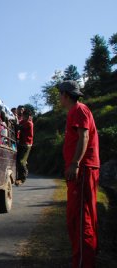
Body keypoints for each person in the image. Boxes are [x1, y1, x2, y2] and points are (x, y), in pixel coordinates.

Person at [58, 80, 100, 268]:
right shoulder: (75, 112)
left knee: (82, 220)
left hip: (83, 170)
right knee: (76, 219)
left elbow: (84, 136)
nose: (59, 97)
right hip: (80, 171)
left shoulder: (79, 110)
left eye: (60, 94)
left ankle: (83, 262)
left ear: (66, 95)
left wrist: (75, 164)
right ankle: (81, 259)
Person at [15, 109, 33, 186]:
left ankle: (23, 178)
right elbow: (19, 124)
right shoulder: (23, 121)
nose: (24, 117)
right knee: (18, 160)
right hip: (21, 143)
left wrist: (15, 124)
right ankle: (19, 177)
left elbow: (20, 127)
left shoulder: (29, 123)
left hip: (27, 144)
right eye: (24, 116)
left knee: (21, 161)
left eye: (26, 116)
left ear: (29, 116)